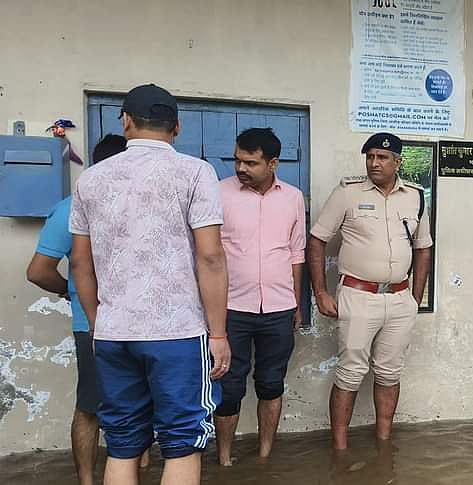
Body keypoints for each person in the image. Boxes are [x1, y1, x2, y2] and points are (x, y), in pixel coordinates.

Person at [69, 84, 230, 485]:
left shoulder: (90, 180)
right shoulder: (195, 172)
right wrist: (219, 333)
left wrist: (96, 322)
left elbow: (79, 262)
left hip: (113, 332)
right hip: (175, 333)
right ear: (177, 125)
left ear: (126, 121)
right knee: (181, 442)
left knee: (123, 442)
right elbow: (210, 257)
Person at [309, 132, 433, 448]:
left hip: (399, 299)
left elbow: (423, 248)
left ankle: (384, 442)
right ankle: (339, 448)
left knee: (390, 373)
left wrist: (414, 297)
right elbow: (317, 241)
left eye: (382, 157)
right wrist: (321, 292)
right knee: (350, 374)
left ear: (398, 162)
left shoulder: (416, 197)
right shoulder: (347, 194)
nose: (374, 163)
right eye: (370, 157)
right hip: (358, 295)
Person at [26, 134, 127, 485]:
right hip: (102, 325)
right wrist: (71, 293)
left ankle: (98, 478)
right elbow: (38, 271)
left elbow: (40, 272)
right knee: (94, 407)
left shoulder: (73, 206)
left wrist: (70, 292)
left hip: (115, 324)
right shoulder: (72, 208)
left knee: (96, 406)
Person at [213, 128, 307, 465]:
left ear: (273, 163)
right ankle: (224, 459)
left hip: (280, 308)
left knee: (271, 382)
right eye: (238, 160)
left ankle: (265, 455)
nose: (241, 168)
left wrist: (297, 304)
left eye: (250, 162)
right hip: (231, 308)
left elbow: (297, 253)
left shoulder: (293, 197)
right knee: (228, 385)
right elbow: (207, 254)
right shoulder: (219, 193)